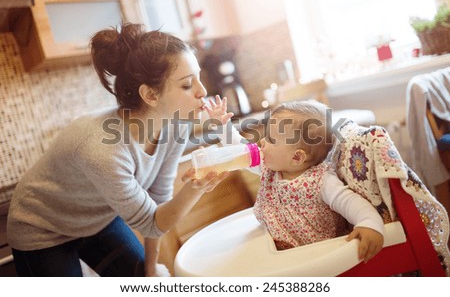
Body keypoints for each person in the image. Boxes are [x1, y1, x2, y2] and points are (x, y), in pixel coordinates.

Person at [6, 23, 228, 277]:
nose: (203, 91)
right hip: (42, 229)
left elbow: (158, 204)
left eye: (198, 77)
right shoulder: (104, 150)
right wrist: (195, 187)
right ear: (150, 95)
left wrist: (150, 270)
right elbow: (153, 223)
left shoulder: (174, 127)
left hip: (96, 220)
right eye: (188, 84)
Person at [206, 97, 384, 262]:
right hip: (279, 252)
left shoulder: (322, 181)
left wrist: (369, 223)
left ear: (297, 157)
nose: (262, 142)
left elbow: (350, 202)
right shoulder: (271, 168)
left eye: (271, 140)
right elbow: (240, 150)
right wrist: (222, 125)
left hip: (314, 259)